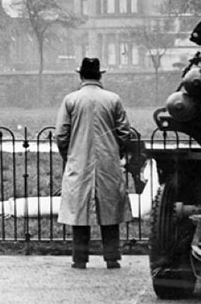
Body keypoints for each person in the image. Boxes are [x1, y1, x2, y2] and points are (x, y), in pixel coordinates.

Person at [55, 57, 132, 270]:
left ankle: (79, 259)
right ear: (99, 75)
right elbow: (125, 132)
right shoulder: (113, 99)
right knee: (110, 210)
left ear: (81, 75)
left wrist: (68, 155)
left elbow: (61, 134)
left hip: (79, 160)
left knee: (79, 211)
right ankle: (112, 257)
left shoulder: (71, 100)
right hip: (108, 160)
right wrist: (118, 152)